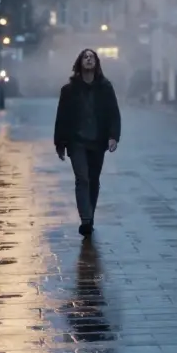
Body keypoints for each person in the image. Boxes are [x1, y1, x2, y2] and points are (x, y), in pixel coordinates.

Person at [54, 48, 121, 237]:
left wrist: (113, 136)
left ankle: (90, 217)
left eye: (92, 57)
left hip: (97, 142)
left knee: (93, 180)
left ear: (97, 63)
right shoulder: (69, 90)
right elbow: (62, 117)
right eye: (85, 56)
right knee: (82, 179)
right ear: (80, 62)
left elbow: (113, 114)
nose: (89, 59)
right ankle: (85, 219)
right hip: (76, 142)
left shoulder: (105, 88)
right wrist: (60, 143)